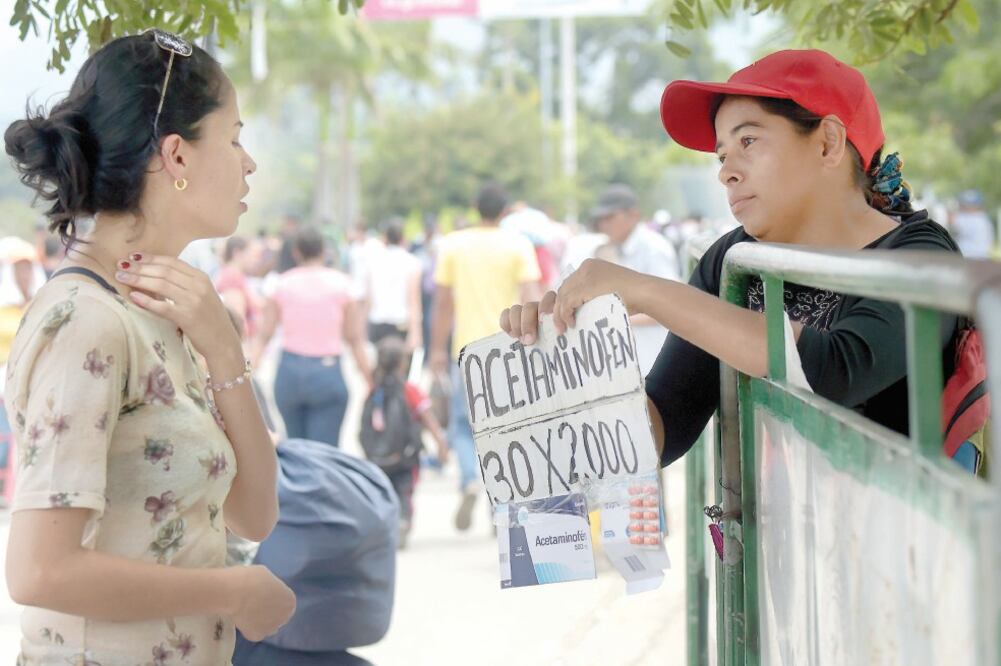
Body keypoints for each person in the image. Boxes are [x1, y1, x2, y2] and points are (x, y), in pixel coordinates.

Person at [499, 49, 961, 469]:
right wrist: (567, 365)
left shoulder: (921, 259)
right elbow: (665, 428)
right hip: (782, 557)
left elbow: (836, 371)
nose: (726, 171)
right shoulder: (735, 261)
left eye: (748, 142)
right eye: (721, 154)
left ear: (828, 143)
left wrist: (646, 290)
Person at [1, 29, 295, 664]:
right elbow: (38, 571)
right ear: (177, 156)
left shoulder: (164, 307)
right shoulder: (88, 319)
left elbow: (254, 514)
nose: (249, 163)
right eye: (235, 137)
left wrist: (224, 350)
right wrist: (232, 591)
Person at [430, 183, 542, 531]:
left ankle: (468, 479)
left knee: (464, 425)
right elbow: (530, 297)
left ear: (475, 207)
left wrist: (435, 349)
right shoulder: (519, 244)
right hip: (509, 349)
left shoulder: (453, 245)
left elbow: (443, 304)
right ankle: (503, 501)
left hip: (466, 349)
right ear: (505, 210)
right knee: (507, 428)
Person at [255, 226, 372, 446]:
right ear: (324, 252)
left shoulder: (280, 285)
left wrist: (250, 368)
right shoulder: (343, 285)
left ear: (296, 253)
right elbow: (354, 338)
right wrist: (369, 378)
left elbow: (264, 335)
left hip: (288, 372)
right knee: (325, 451)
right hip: (327, 372)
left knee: (296, 448)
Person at [361, 337, 448, 548]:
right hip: (406, 457)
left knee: (384, 491)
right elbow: (428, 418)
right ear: (403, 363)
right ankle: (403, 521)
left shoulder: (373, 390)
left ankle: (387, 524)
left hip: (378, 458)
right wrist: (441, 444)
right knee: (404, 491)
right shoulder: (409, 390)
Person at [587, 184, 681, 375]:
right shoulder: (614, 247)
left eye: (610, 217)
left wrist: (610, 317)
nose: (604, 224)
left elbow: (670, 305)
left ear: (633, 215)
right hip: (630, 358)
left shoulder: (653, 247)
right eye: (602, 219)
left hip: (653, 358)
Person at [364, 218, 423, 351]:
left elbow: (368, 299)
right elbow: (413, 300)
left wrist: (363, 328)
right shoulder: (412, 262)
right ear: (402, 238)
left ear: (385, 237)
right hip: (401, 325)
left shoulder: (373, 261)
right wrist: (416, 332)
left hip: (377, 323)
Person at [216, 235, 264, 339]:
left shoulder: (236, 276)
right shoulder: (232, 278)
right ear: (237, 253)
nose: (257, 261)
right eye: (254, 255)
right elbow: (238, 324)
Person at [950, 190, 994, 260]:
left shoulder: (972, 218)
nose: (962, 206)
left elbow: (952, 223)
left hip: (970, 257)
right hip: (982, 257)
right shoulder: (984, 218)